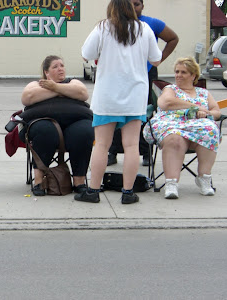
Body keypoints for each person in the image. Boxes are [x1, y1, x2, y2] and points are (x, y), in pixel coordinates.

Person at [78, 0, 162, 204]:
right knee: (132, 145)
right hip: (135, 95)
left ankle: (93, 191)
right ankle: (127, 192)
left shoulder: (103, 27)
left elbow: (86, 54)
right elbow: (156, 59)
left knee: (102, 146)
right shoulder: (144, 28)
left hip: (107, 96)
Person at [107, 0, 179, 167]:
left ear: (143, 6)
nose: (133, 7)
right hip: (120, 76)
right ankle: (112, 151)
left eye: (137, 4)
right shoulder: (114, 25)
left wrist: (159, 59)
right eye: (130, 3)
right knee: (116, 113)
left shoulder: (151, 24)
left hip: (145, 74)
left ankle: (146, 152)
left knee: (144, 113)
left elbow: (173, 38)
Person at [143, 57, 222, 199]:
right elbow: (165, 103)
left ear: (193, 75)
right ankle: (171, 183)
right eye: (177, 71)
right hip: (171, 123)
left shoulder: (203, 93)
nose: (178, 75)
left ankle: (204, 178)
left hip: (197, 127)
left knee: (210, 131)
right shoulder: (170, 89)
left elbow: (217, 112)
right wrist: (195, 106)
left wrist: (206, 113)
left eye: (183, 72)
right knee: (174, 137)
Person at [20, 55, 94, 197]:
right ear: (46, 73)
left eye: (62, 65)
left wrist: (56, 87)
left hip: (75, 123)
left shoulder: (73, 82)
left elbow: (82, 93)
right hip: (44, 123)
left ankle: (79, 182)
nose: (60, 69)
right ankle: (39, 181)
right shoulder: (36, 84)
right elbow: (28, 97)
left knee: (84, 132)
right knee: (45, 130)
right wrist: (60, 90)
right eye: (55, 66)